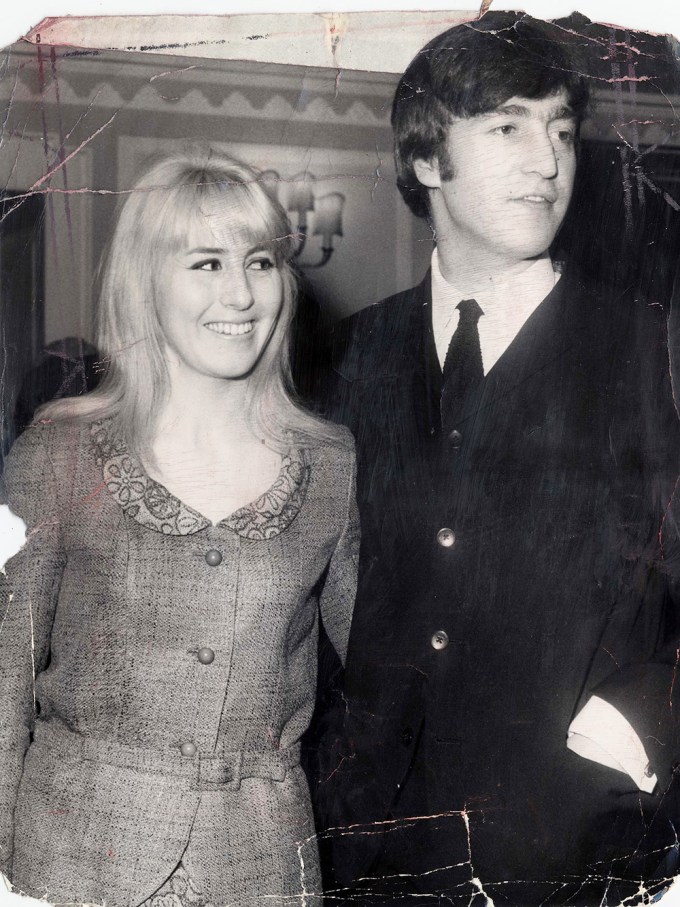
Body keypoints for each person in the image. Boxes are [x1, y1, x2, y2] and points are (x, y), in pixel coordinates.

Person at [315, 11, 680, 906]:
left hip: (580, 850)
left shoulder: (653, 349)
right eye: (510, 127)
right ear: (429, 160)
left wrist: (649, 722)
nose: (550, 163)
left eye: (561, 130)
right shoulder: (349, 354)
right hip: (370, 859)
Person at [0, 146, 359, 907]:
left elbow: (385, 675)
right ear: (146, 280)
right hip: (68, 864)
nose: (240, 294)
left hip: (260, 870)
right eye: (205, 263)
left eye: (260, 262)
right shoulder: (56, 453)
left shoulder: (333, 465)